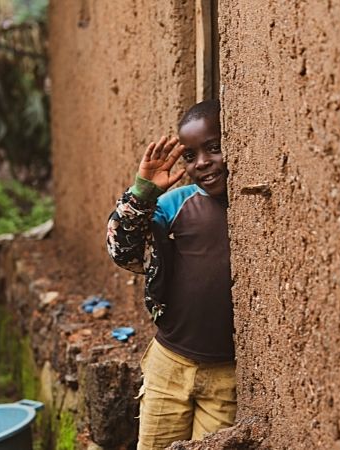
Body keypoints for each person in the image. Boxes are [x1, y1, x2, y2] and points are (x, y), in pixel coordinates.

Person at [106, 99, 235, 449]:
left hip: (227, 377)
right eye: (190, 156)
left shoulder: (249, 206)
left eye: (214, 148)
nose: (203, 163)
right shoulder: (176, 206)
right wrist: (142, 194)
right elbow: (123, 250)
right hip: (169, 363)